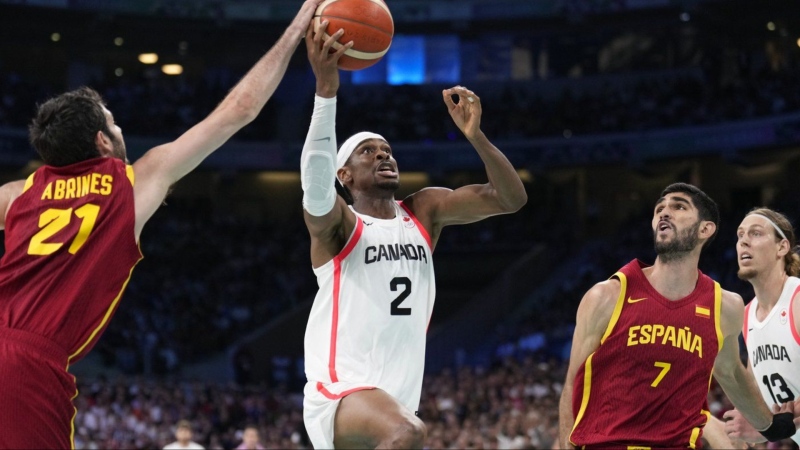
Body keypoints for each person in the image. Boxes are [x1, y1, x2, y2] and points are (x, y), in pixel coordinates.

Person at [0, 1, 323, 447]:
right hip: (27, 365)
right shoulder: (133, 183)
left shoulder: (17, 193)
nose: (121, 130)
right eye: (114, 123)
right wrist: (296, 29)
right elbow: (239, 110)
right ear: (101, 140)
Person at [298, 22, 528, 450]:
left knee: (406, 428)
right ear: (344, 175)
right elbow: (313, 183)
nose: (383, 154)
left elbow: (509, 199)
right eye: (369, 151)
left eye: (386, 149)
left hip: (397, 398)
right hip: (340, 391)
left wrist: (476, 137)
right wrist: (326, 91)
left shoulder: (423, 211)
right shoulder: (339, 226)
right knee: (407, 433)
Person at [557, 183, 797, 448]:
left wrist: (771, 426)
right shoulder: (607, 296)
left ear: (705, 229)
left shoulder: (725, 306)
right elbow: (571, 387)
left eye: (679, 206)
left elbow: (731, 373)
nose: (664, 213)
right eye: (659, 208)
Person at [722, 207, 800, 445]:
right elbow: (753, 398)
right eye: (740, 235)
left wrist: (767, 429)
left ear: (782, 247)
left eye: (755, 233)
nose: (744, 241)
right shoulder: (746, 316)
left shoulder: (797, 300)